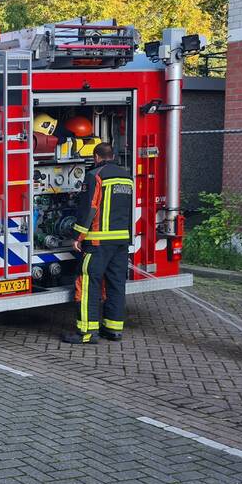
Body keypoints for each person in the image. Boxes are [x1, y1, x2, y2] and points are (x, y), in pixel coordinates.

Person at [64, 143, 134, 344]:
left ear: (96, 157)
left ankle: (86, 332)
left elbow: (89, 208)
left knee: (87, 284)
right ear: (112, 155)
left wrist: (78, 237)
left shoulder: (96, 175)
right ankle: (113, 330)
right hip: (121, 241)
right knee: (116, 284)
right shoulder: (127, 177)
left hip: (98, 241)